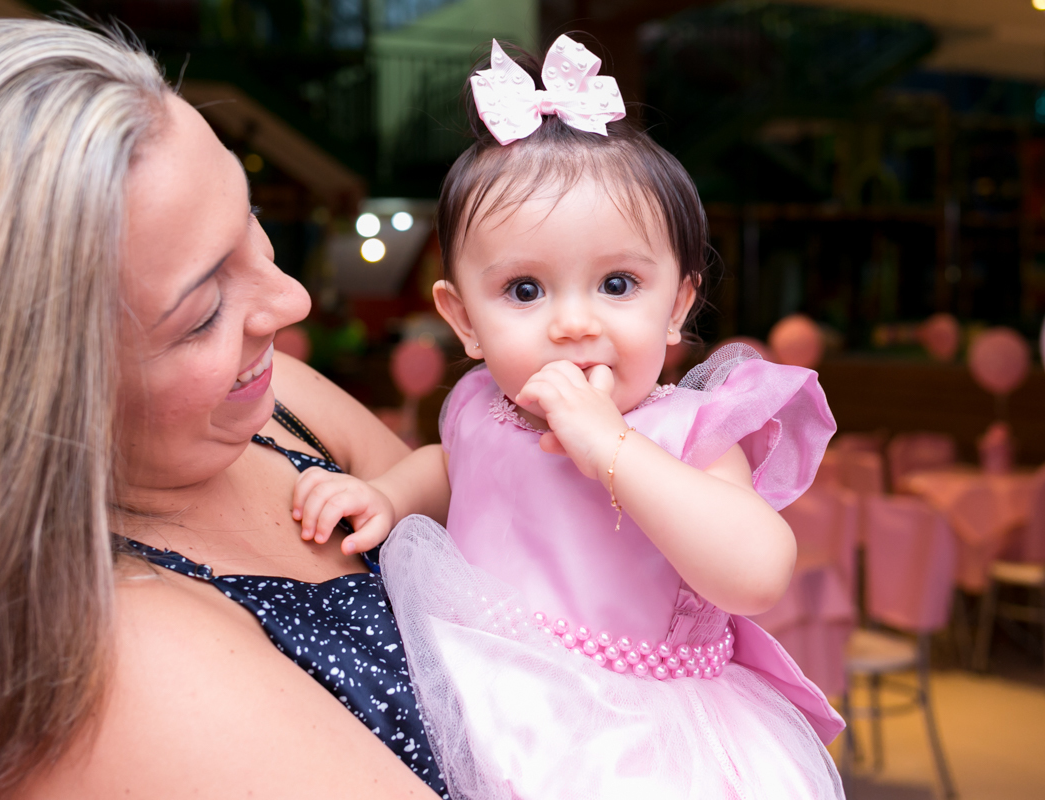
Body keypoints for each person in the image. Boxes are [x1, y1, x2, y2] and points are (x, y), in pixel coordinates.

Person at [0, 18, 446, 800]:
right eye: (202, 313)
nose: (290, 299)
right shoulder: (115, 658)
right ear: (22, 393)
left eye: (251, 221)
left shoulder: (277, 408)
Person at [293, 36, 846, 798]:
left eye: (618, 283)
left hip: (638, 739)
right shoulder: (476, 402)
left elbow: (756, 573)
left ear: (677, 305)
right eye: (525, 291)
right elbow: (455, 470)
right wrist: (388, 494)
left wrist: (613, 445)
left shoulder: (689, 432)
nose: (575, 322)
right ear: (464, 321)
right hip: (488, 695)